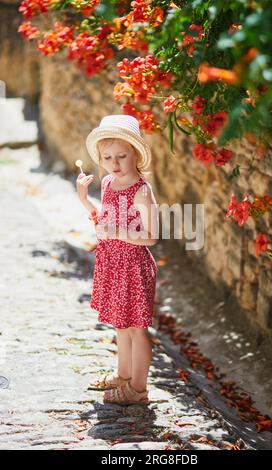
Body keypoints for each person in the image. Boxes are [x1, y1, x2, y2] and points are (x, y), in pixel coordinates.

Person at [76, 114, 159, 406]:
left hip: (134, 266)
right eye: (108, 156)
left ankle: (138, 389)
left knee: (138, 328)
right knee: (120, 324)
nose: (114, 163)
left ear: (136, 153)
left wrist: (118, 232)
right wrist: (84, 199)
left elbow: (151, 236)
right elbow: (104, 220)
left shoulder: (141, 191)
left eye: (122, 156)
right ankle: (123, 374)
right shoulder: (109, 182)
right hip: (112, 262)